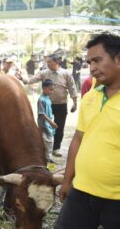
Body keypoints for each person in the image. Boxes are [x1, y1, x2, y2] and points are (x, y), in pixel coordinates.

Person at [56, 33, 120, 229]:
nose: (92, 68)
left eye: (98, 60)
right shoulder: (90, 97)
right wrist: (67, 181)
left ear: (118, 59)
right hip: (81, 191)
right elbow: (78, 138)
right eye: (89, 62)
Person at [18, 54, 77, 157]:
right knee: (44, 125)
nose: (48, 64)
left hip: (61, 104)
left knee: (59, 126)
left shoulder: (65, 73)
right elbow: (33, 79)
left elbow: (72, 87)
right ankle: (42, 148)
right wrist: (23, 79)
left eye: (50, 62)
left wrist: (75, 103)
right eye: (47, 62)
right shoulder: (44, 73)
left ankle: (56, 148)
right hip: (46, 104)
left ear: (57, 62)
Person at [37, 79, 59, 164]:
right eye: (50, 89)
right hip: (44, 124)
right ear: (44, 88)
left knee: (49, 141)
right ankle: (47, 159)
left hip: (48, 123)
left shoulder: (47, 98)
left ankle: (48, 158)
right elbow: (42, 114)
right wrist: (51, 122)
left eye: (53, 89)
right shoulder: (41, 99)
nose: (52, 91)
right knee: (48, 141)